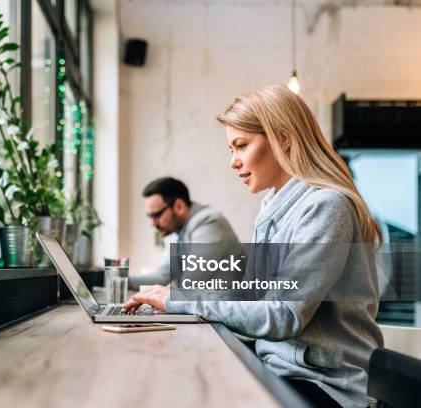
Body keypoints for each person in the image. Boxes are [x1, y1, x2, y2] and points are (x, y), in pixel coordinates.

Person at [123, 85, 384, 408]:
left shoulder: (327, 206)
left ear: (282, 138)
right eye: (231, 149)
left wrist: (180, 301)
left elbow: (284, 314)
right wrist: (177, 298)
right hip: (280, 367)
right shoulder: (273, 206)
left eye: (241, 146)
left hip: (326, 386)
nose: (234, 162)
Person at [129, 177, 239, 289]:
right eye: (150, 217)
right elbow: (161, 276)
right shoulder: (174, 230)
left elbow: (192, 282)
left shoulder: (208, 222)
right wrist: (122, 280)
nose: (152, 224)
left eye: (157, 215)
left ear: (179, 206)